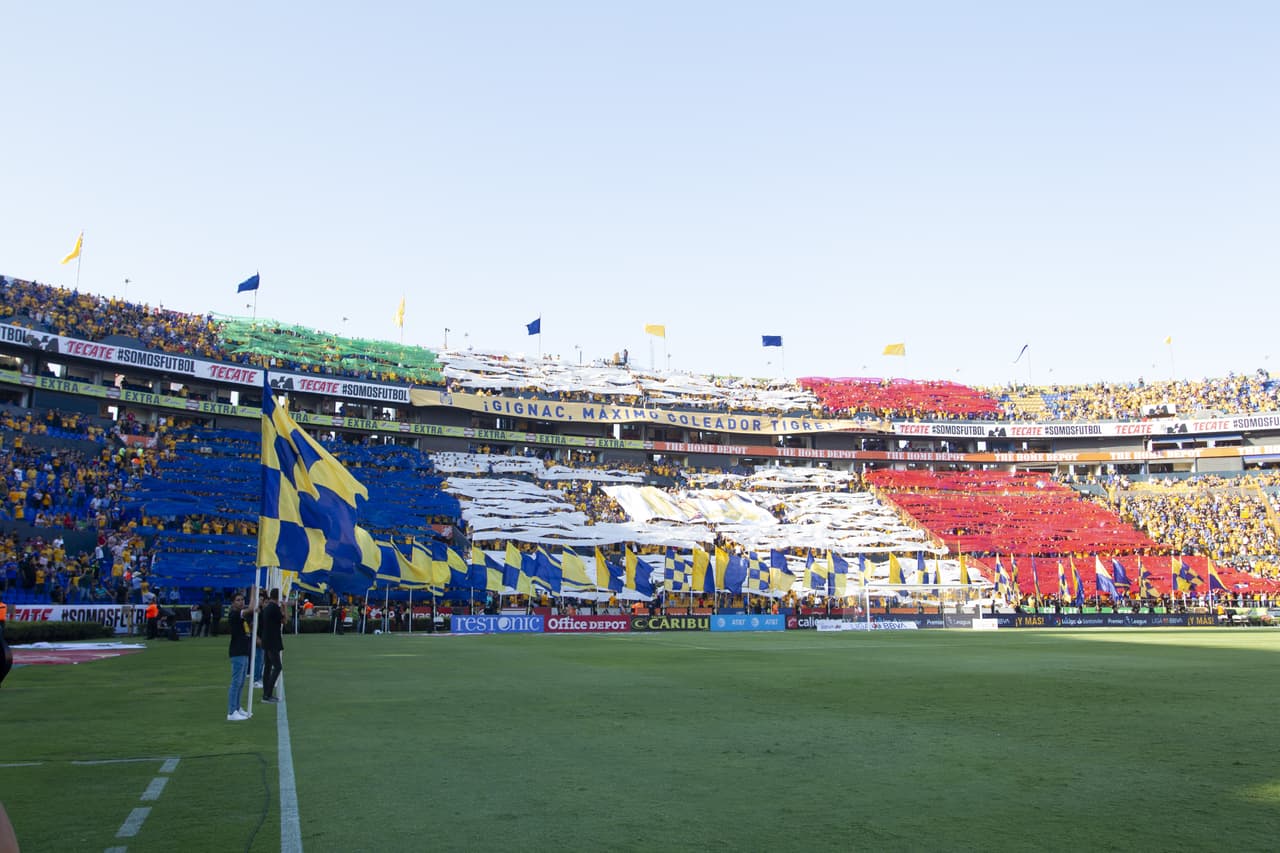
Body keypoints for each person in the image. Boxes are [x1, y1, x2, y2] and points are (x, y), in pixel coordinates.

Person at [225, 591, 254, 721]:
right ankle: (231, 711)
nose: (241, 602)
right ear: (233, 603)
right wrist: (254, 591)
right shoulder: (234, 614)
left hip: (244, 651)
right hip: (237, 652)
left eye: (242, 599)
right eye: (238, 600)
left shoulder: (242, 617)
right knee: (236, 682)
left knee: (241, 682)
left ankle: (237, 707)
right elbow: (251, 609)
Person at [260, 588, 285, 704]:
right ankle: (267, 693)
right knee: (277, 667)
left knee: (268, 667)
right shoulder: (274, 608)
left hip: (267, 641)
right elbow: (284, 621)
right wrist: (284, 608)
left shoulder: (267, 608)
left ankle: (266, 693)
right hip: (272, 642)